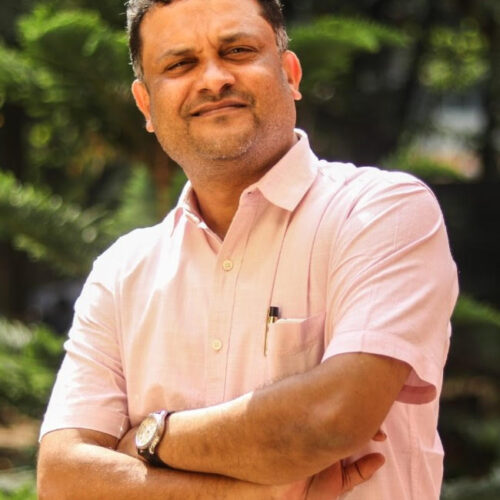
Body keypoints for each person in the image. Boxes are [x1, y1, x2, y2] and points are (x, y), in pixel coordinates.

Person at [37, 0, 459, 498]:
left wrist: (150, 438)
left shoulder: (380, 212)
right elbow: (62, 478)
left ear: (290, 73)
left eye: (237, 51)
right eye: (180, 64)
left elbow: (332, 416)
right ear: (146, 105)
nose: (213, 79)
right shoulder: (121, 273)